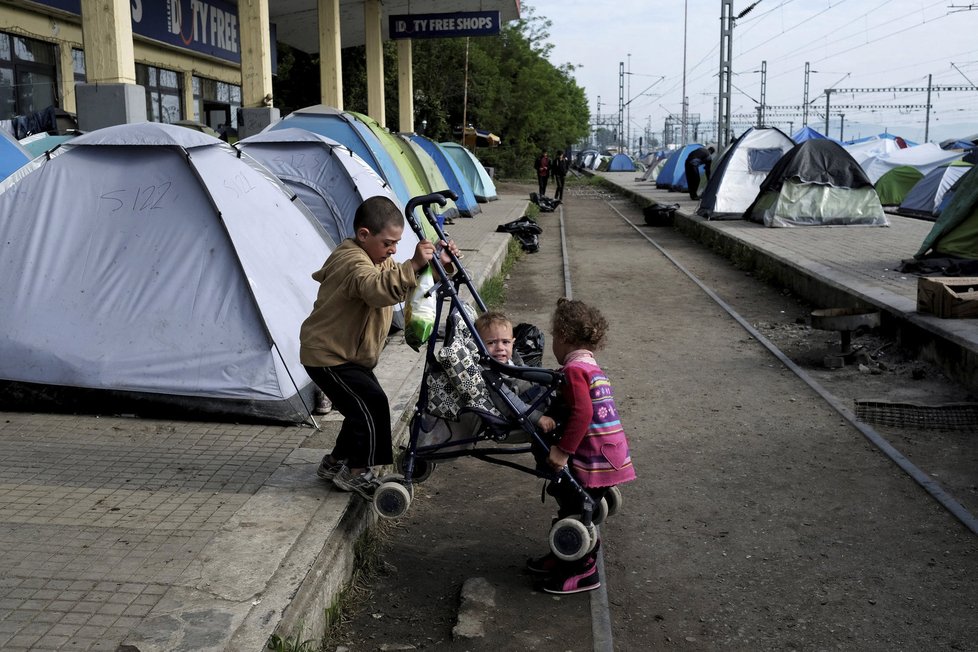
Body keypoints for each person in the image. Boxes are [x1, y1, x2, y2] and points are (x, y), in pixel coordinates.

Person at [300, 195, 458, 500]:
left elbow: (399, 282)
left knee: (359, 406)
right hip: (327, 355)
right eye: (388, 242)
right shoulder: (351, 262)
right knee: (371, 404)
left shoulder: (376, 258)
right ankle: (357, 472)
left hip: (347, 354)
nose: (394, 250)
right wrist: (413, 263)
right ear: (364, 235)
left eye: (397, 243)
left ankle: (334, 463)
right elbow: (376, 289)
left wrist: (438, 268)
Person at [526, 298, 637, 595]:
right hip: (610, 453)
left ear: (563, 338)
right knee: (573, 502)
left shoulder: (574, 371)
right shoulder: (590, 365)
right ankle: (563, 553)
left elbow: (583, 413)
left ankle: (582, 568)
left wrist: (562, 450)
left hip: (593, 458)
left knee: (576, 504)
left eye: (553, 338)